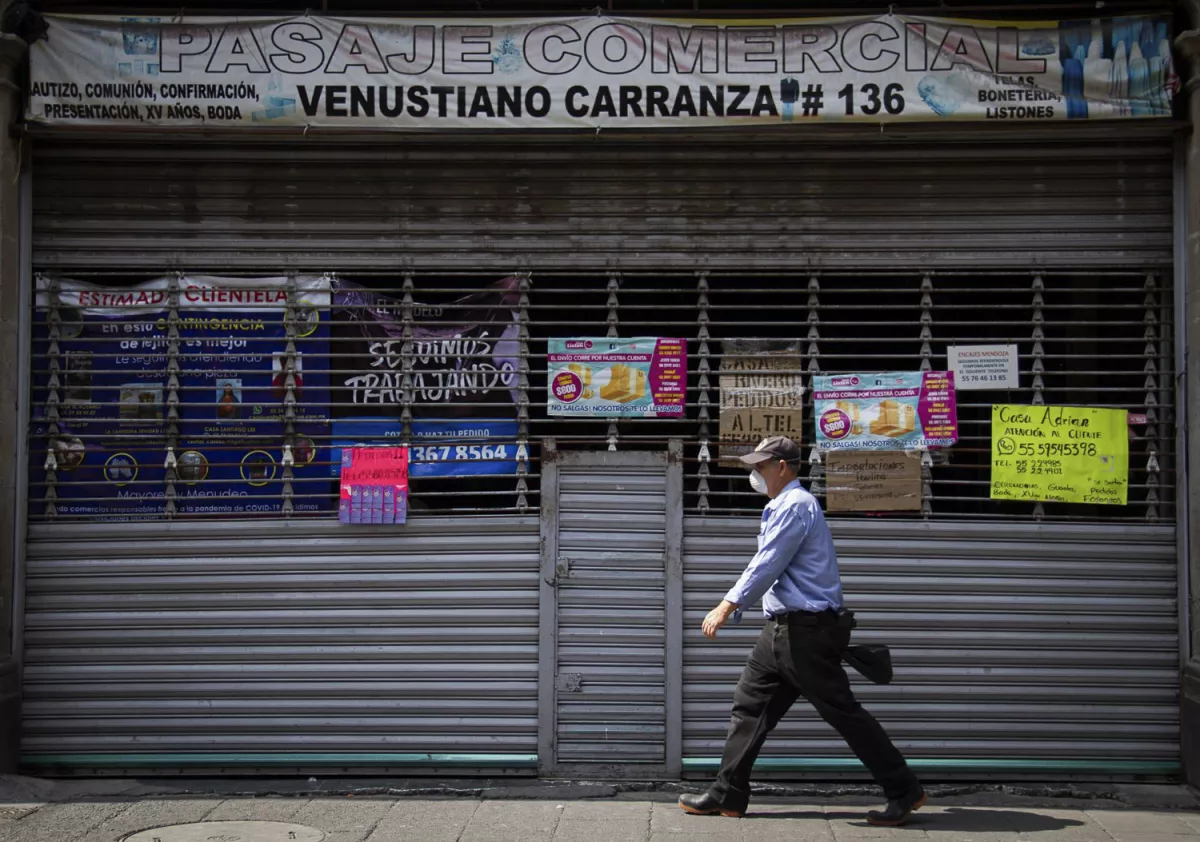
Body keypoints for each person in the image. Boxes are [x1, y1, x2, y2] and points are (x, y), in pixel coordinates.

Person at [678, 436, 925, 827]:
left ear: (782, 467)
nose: (755, 473)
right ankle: (727, 793)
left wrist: (728, 605)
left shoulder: (795, 505)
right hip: (782, 630)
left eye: (761, 466)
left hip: (806, 632)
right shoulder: (783, 505)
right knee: (750, 706)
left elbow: (768, 562)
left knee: (843, 713)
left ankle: (903, 789)